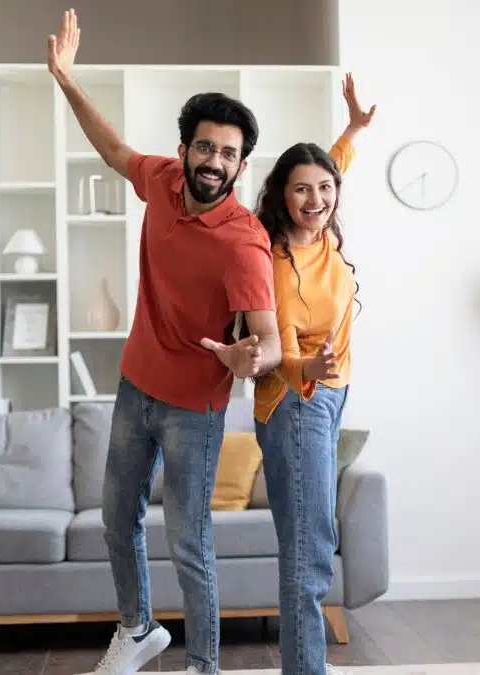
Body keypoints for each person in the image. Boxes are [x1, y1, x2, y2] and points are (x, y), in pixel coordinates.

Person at [48, 9, 283, 675]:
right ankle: (139, 626)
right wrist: (65, 79)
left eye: (229, 153)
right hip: (135, 385)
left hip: (194, 408)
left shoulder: (243, 241)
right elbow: (113, 148)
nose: (215, 162)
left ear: (242, 163)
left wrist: (249, 358)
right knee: (114, 520)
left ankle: (204, 664)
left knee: (189, 542)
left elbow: (267, 342)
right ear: (185, 149)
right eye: (205, 147)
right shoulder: (162, 182)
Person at [250, 73, 374, 675]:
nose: (316, 199)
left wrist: (352, 125)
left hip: (330, 392)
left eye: (325, 188)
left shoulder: (322, 225)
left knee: (310, 542)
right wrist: (310, 366)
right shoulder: (276, 260)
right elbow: (277, 349)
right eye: (302, 190)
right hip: (296, 399)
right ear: (282, 195)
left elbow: (332, 163)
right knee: (309, 549)